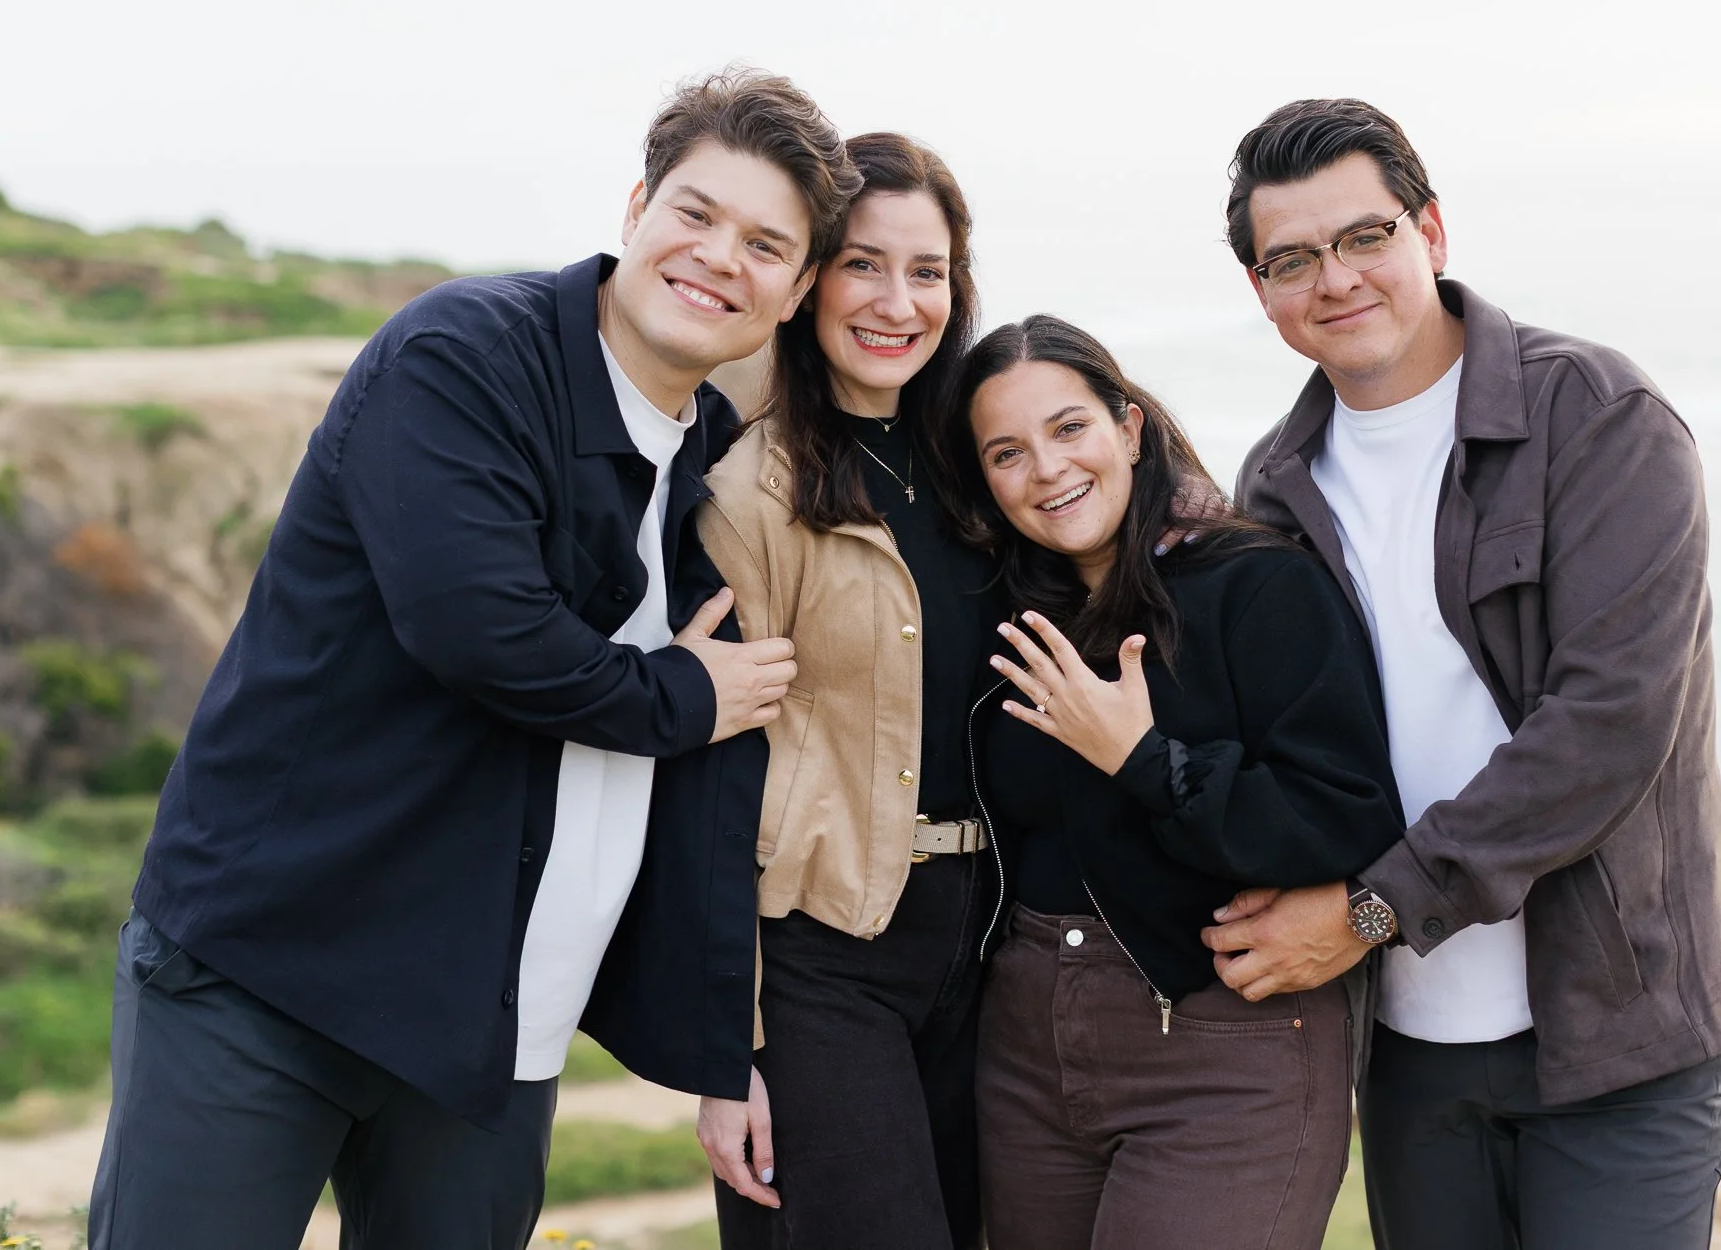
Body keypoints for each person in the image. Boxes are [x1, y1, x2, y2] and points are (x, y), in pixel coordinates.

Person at [88, 68, 861, 1250]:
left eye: (765, 244)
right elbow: (482, 632)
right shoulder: (466, 356)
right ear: (634, 208)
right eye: (694, 214)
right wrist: (680, 697)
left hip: (498, 1035)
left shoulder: (714, 458)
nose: (717, 257)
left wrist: (728, 1042)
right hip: (273, 974)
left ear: (797, 287)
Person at [1210, 98, 1721, 1249]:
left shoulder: (1596, 417)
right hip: (1405, 1058)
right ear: (1261, 291)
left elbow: (1605, 726)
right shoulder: (1274, 487)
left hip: (1613, 1039)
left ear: (1431, 231)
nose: (1335, 279)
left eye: (1364, 236)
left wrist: (1367, 910)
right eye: (1291, 258)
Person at [951, 315, 1406, 1250]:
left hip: (1224, 1048)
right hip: (1024, 1051)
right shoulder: (1004, 611)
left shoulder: (1257, 582)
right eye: (1008, 452)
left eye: (1069, 428)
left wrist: (1144, 760)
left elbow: (1347, 817)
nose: (1046, 470)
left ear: (1129, 427)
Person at [695, 132, 995, 1249]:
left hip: (985, 945)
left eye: (927, 272)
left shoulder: (980, 462)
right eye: (864, 263)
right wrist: (726, 1051)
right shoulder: (750, 494)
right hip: (823, 952)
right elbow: (708, 780)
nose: (896, 301)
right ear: (810, 274)